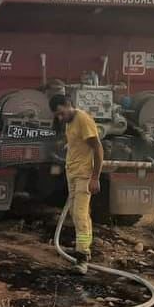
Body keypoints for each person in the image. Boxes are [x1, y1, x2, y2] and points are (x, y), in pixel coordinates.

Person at [49, 93, 104, 274]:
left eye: (60, 112)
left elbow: (97, 148)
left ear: (68, 104)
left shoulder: (83, 120)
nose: (60, 117)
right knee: (76, 213)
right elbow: (78, 142)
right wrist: (69, 147)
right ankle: (83, 247)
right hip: (72, 173)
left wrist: (95, 177)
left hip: (84, 175)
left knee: (80, 214)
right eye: (57, 115)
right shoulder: (70, 122)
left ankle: (82, 257)